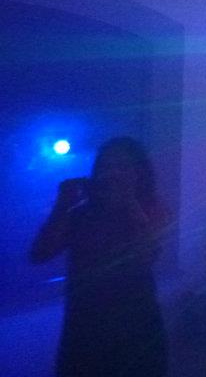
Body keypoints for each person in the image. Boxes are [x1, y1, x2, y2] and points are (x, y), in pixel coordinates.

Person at [31, 137, 169, 377]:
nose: (112, 173)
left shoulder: (152, 209)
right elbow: (39, 254)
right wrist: (61, 206)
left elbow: (147, 256)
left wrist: (130, 202)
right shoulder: (81, 214)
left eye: (122, 166)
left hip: (136, 323)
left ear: (139, 172)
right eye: (106, 165)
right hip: (85, 324)